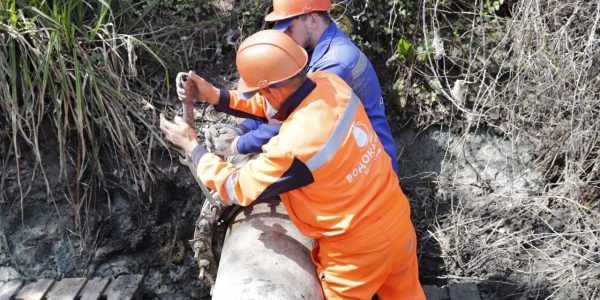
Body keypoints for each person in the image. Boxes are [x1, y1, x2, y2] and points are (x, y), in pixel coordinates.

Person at [161, 30, 424, 300]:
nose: (260, 96)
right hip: (396, 218)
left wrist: (193, 146)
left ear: (273, 89)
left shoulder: (295, 145)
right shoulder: (330, 84)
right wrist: (217, 96)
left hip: (356, 251)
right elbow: (275, 104)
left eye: (262, 90)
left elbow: (236, 187)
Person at [190, 0, 399, 175]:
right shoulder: (319, 51)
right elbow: (278, 104)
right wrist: (241, 127)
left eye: (289, 28)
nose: (285, 37)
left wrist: (239, 144)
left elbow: (294, 125)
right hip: (354, 155)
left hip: (370, 169)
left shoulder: (335, 64)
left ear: (313, 20)